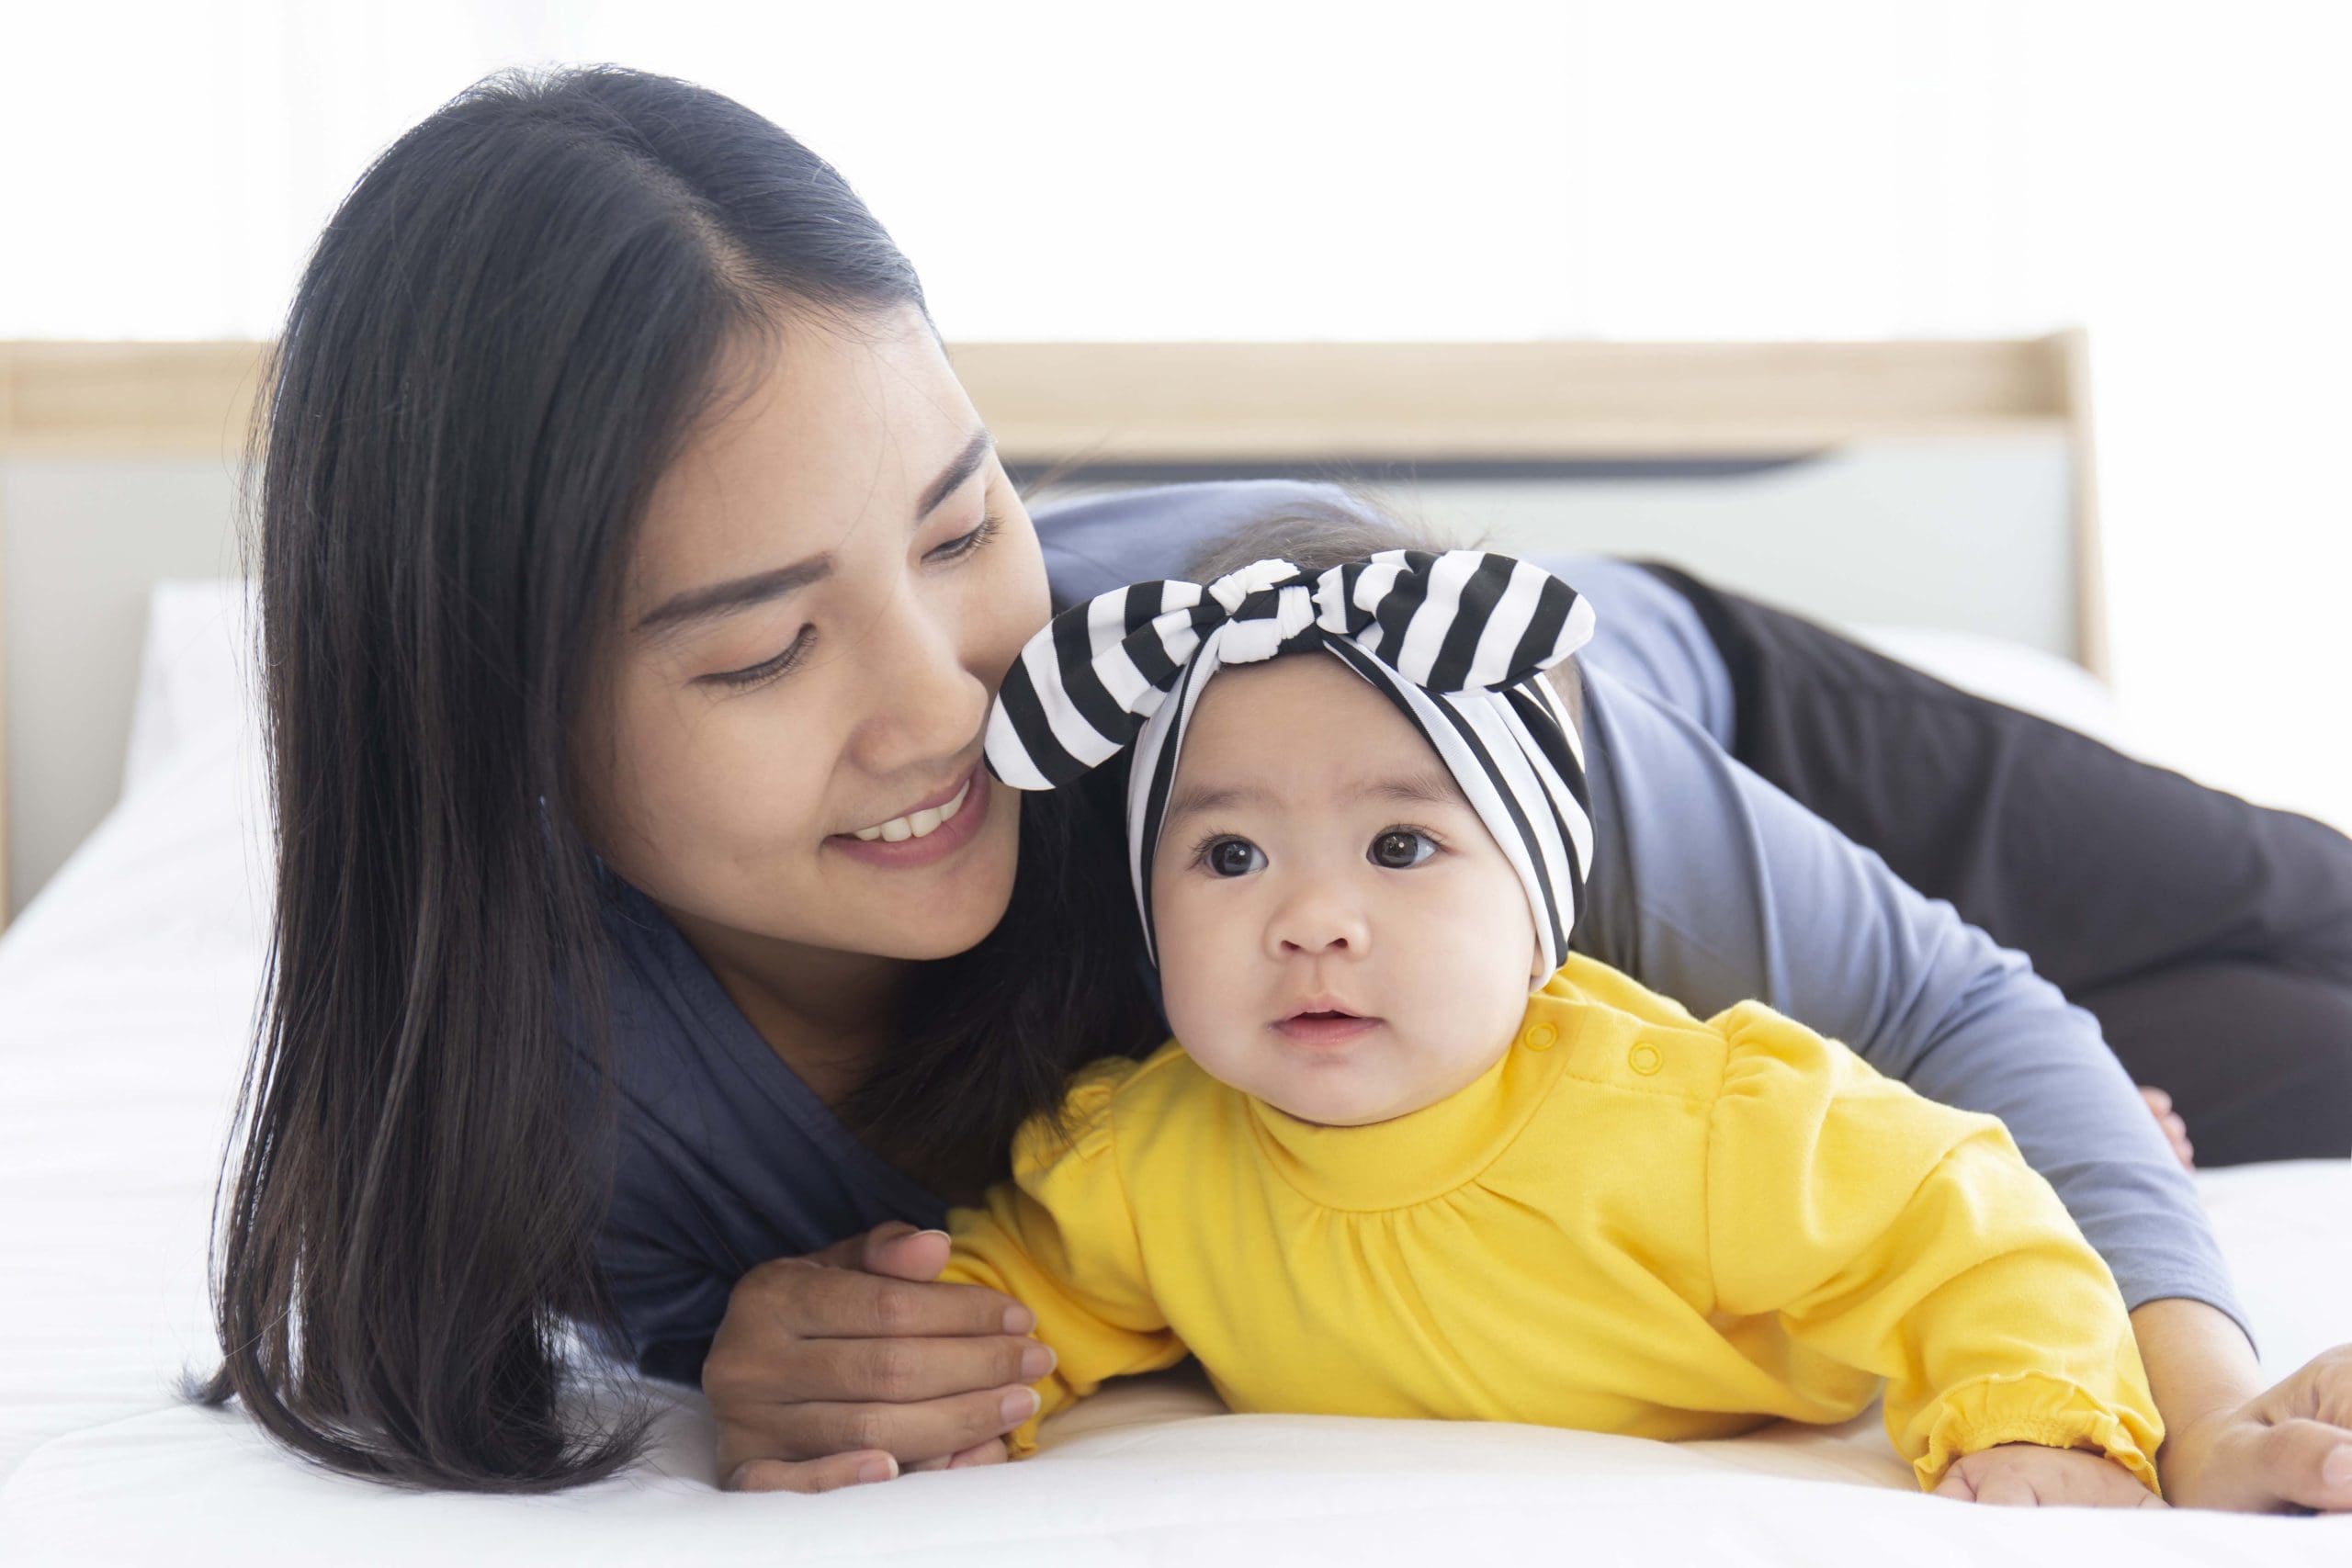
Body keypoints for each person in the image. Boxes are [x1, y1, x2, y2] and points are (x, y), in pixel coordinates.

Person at [199, 64, 2352, 1505]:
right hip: (1630, 1041)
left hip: (1657, 729)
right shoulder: (556, 1091)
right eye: (764, 646)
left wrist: (2203, 1403)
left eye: (961, 528)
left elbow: (1953, 1019)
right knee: (2288, 1067)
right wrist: (766, 1352)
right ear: (491, 723)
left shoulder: (1275, 683)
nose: (943, 699)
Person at [939, 534, 2165, 1505]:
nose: (1313, 920)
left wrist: (2038, 1413)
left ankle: (2142, 1097)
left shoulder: (1698, 1126)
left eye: (1401, 845)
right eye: (1231, 852)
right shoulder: (1139, 1162)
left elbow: (1958, 1223)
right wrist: (947, 1388)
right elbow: (1026, 1286)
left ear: (1538, 924)